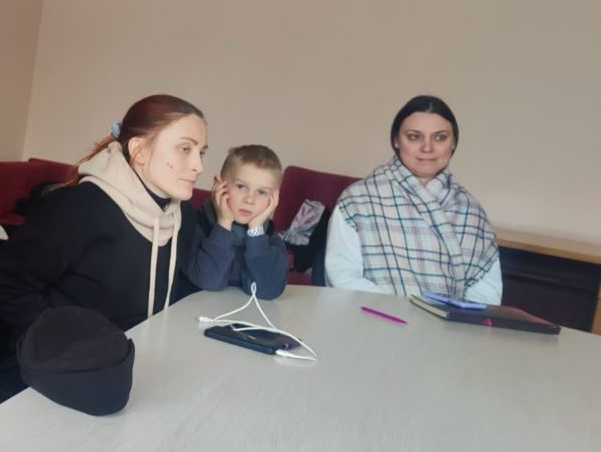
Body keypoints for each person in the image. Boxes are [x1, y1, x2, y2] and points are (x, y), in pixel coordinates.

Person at [0, 95, 208, 335]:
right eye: (185, 149)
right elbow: (6, 286)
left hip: (143, 350)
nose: (198, 166)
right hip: (67, 353)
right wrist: (70, 346)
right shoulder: (78, 207)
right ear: (139, 150)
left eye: (201, 153)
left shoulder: (183, 217)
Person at [325, 94, 501, 304]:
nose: (427, 147)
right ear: (396, 140)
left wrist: (454, 317)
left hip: (449, 323)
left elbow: (486, 292)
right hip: (376, 317)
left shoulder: (472, 211)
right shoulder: (358, 200)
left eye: (440, 137)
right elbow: (342, 276)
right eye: (414, 137)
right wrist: (403, 312)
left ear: (453, 143)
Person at [182, 144, 289, 299]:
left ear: (274, 198)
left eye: (261, 192)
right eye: (241, 186)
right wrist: (224, 223)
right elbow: (208, 282)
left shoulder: (270, 238)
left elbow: (268, 291)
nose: (250, 199)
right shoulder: (195, 225)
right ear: (219, 185)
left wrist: (256, 231)